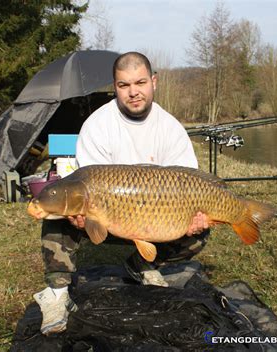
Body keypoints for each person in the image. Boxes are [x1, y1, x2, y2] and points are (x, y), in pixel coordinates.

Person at [33, 52, 210, 335]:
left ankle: (141, 265)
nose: (133, 92)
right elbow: (85, 184)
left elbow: (189, 185)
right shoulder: (97, 125)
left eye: (140, 83)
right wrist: (80, 216)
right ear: (114, 86)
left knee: (198, 235)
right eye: (123, 85)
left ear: (154, 82)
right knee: (56, 214)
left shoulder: (171, 130)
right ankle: (56, 293)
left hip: (156, 220)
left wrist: (193, 220)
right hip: (104, 216)